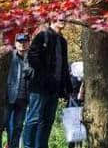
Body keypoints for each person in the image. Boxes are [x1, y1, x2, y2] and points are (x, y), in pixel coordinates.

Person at [23, 20, 73, 148]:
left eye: (65, 16)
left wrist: (68, 87)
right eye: (59, 16)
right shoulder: (42, 36)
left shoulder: (63, 41)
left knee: (47, 121)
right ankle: (28, 146)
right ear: (51, 18)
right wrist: (45, 77)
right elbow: (32, 57)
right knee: (34, 119)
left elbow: (64, 66)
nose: (63, 19)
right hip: (39, 88)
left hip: (55, 89)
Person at [5, 33, 31, 148]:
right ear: (15, 43)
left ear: (28, 43)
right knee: (6, 124)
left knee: (18, 126)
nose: (22, 44)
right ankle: (8, 145)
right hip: (9, 97)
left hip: (24, 98)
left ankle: (13, 146)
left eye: (25, 41)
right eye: (20, 42)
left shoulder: (32, 59)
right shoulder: (10, 57)